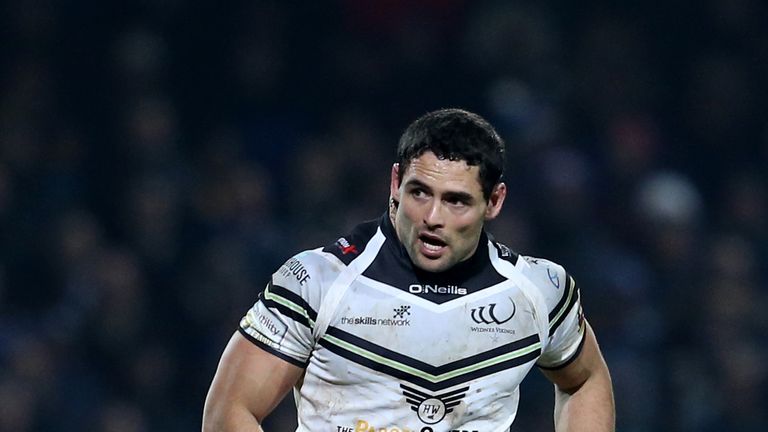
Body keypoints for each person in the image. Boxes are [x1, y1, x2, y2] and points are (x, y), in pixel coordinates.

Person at [203, 108, 615, 432]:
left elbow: (584, 380)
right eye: (420, 192)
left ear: (494, 202)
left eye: (456, 201)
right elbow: (228, 412)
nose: (432, 217)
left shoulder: (538, 291)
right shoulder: (317, 281)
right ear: (395, 181)